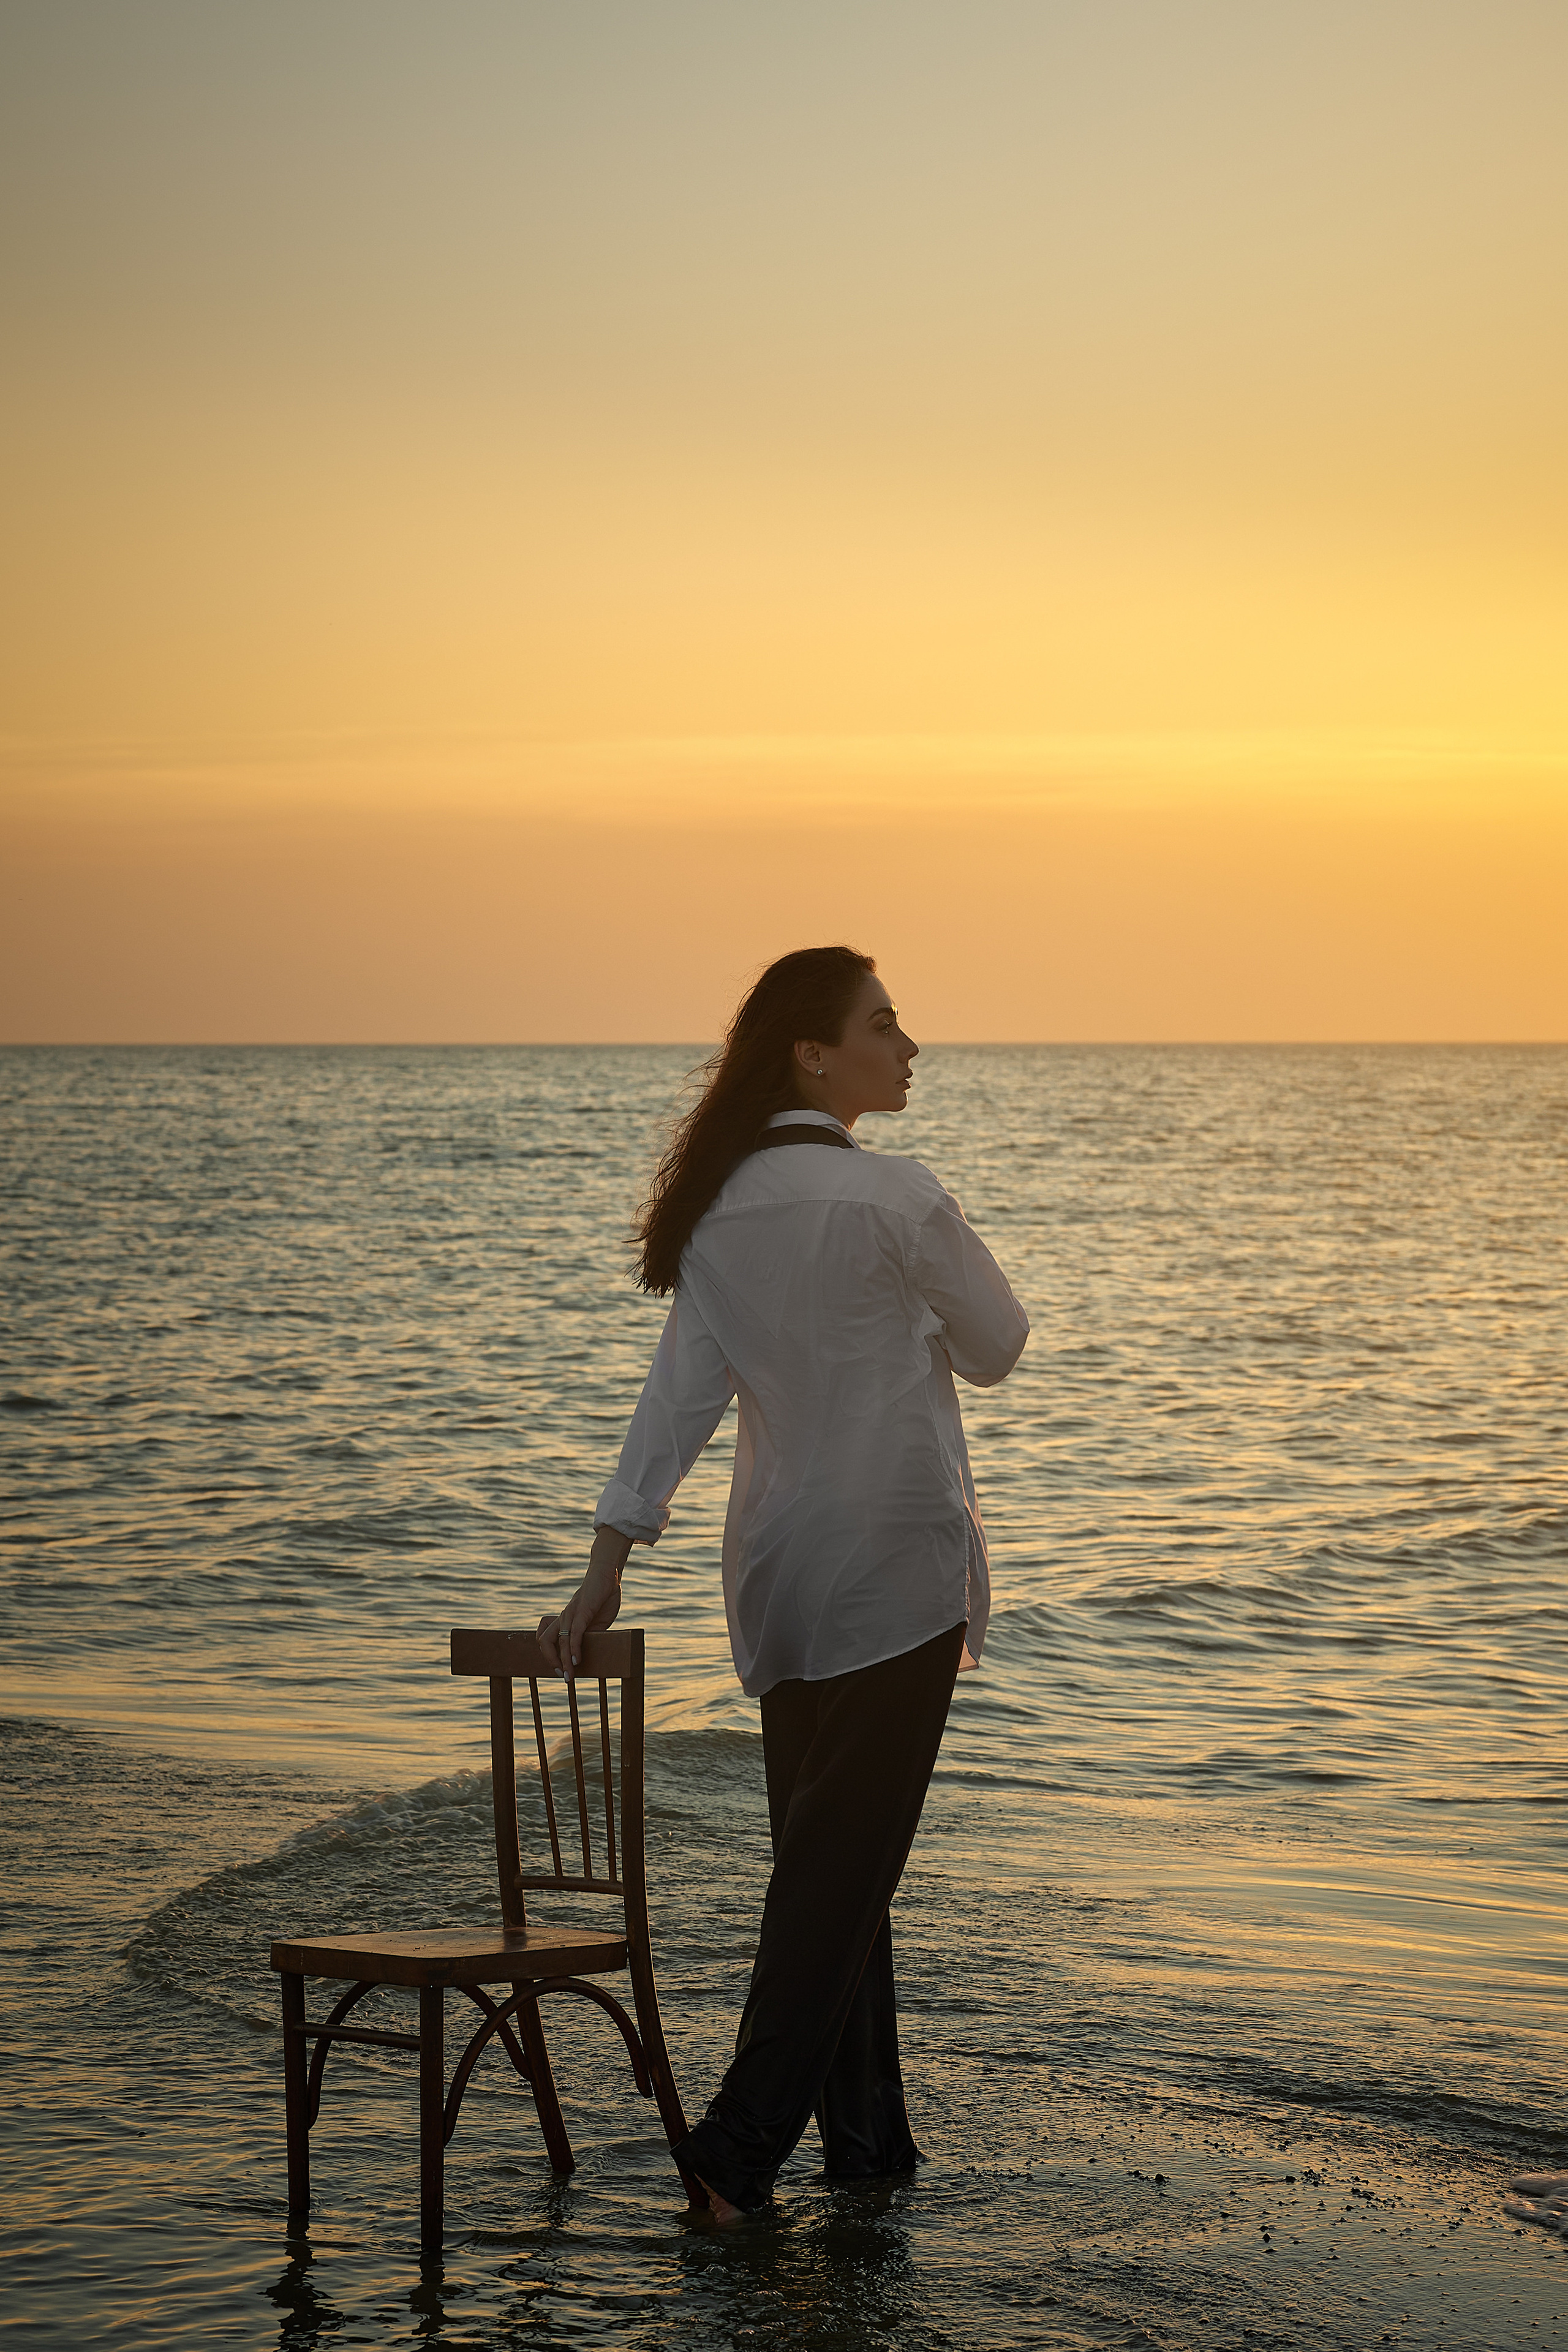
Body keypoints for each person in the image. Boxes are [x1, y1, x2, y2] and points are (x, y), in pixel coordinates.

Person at [537, 945, 1028, 2220]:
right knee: (834, 1878)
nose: (907, 1044)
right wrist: (912, 1315)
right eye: (882, 1022)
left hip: (776, 1575)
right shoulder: (896, 1198)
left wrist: (605, 1565)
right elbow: (1000, 1348)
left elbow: (676, 1405)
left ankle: (869, 2154)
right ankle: (738, 2149)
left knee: (834, 1870)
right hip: (890, 1572)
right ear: (813, 1052)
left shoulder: (720, 1209)